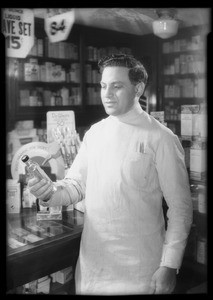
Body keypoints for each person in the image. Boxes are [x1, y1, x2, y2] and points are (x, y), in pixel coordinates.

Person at [28, 53, 193, 295]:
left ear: (138, 88)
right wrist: (50, 191)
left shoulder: (162, 138)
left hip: (141, 266)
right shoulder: (95, 133)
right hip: (94, 263)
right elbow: (75, 186)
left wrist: (169, 264)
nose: (106, 93)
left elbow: (181, 208)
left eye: (117, 86)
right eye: (104, 86)